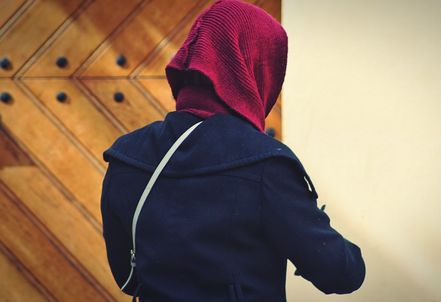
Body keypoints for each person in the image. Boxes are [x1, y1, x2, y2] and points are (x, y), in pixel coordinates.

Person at [100, 1, 366, 301]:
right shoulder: (266, 165)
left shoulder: (126, 155)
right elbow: (341, 273)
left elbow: (126, 277)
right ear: (257, 68)